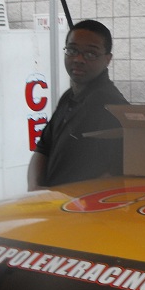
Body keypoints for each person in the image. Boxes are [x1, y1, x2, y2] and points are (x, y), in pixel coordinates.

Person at [27, 19, 128, 190]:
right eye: (72, 50)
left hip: (81, 205)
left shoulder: (112, 106)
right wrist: (34, 187)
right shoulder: (68, 97)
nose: (78, 59)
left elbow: (114, 174)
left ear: (107, 59)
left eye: (91, 54)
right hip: (50, 201)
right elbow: (43, 148)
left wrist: (66, 198)